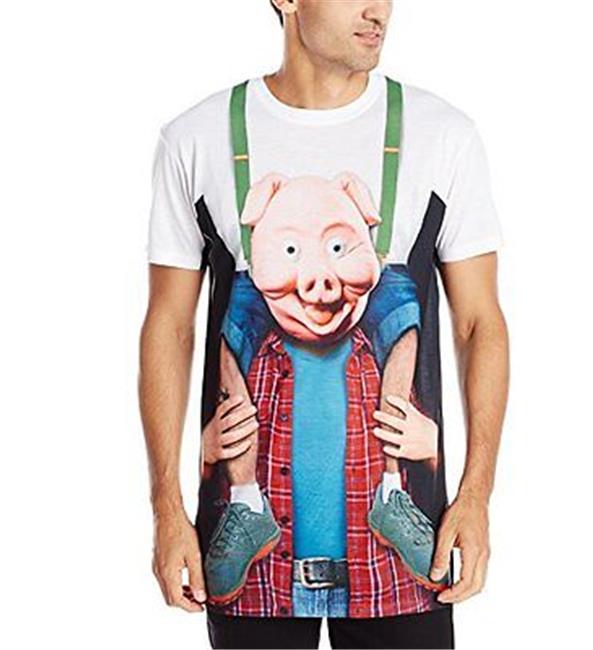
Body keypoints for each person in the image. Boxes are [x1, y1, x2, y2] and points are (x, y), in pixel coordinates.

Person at [139, 1, 509, 648]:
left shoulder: (443, 135)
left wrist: (475, 496)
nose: (379, 9)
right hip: (247, 569)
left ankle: (390, 494)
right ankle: (248, 505)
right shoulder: (196, 138)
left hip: (405, 562)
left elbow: (479, 323)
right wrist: (167, 509)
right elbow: (169, 325)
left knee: (395, 290)